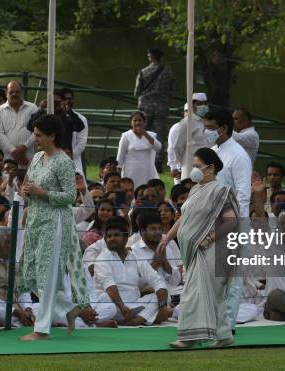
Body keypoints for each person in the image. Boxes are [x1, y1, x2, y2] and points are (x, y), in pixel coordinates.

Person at [18, 115, 91, 341]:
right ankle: (67, 309)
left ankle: (42, 329)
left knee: (47, 274)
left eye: (39, 135)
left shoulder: (64, 161)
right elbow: (28, 183)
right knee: (31, 273)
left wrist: (43, 193)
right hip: (35, 220)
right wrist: (26, 190)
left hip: (54, 221)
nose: (35, 139)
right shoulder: (38, 157)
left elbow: (70, 196)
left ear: (51, 136)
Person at [161, 147, 239, 349]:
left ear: (210, 167)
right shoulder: (195, 190)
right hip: (193, 250)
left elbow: (231, 222)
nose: (193, 170)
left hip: (210, 250)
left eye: (197, 166)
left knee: (192, 293)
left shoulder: (221, 191)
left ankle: (188, 338)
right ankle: (224, 335)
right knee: (210, 295)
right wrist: (167, 238)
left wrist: (209, 239)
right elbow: (184, 219)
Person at [203, 108, 252, 332]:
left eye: (210, 128)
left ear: (223, 128)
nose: (206, 131)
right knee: (214, 277)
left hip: (234, 224)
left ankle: (227, 326)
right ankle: (214, 322)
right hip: (213, 222)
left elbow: (243, 195)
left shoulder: (239, 155)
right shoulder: (212, 152)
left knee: (233, 278)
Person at [93, 216, 171, 326]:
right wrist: (122, 306)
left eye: (116, 235)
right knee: (108, 303)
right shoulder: (102, 258)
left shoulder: (134, 257)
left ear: (125, 239)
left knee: (159, 296)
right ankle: (143, 318)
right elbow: (109, 285)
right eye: (109, 236)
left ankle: (135, 321)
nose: (111, 239)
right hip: (113, 305)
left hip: (134, 306)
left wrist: (162, 306)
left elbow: (157, 281)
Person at [134, 47, 176, 172]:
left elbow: (136, 92)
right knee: (159, 135)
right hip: (161, 107)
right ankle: (157, 163)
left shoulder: (143, 72)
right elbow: (173, 91)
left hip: (145, 107)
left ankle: (142, 159)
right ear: (160, 57)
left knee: (142, 133)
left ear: (150, 57)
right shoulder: (168, 72)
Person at [0, 81, 38, 167]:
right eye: (11, 92)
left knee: (29, 179)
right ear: (6, 93)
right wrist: (14, 151)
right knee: (8, 179)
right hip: (8, 157)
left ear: (22, 92)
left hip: (28, 155)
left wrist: (25, 146)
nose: (14, 94)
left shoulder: (32, 108)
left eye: (17, 92)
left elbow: (36, 131)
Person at [116, 111, 162, 188]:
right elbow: (120, 157)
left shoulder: (151, 135)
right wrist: (119, 175)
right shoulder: (126, 136)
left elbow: (158, 147)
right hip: (131, 172)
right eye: (135, 120)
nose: (137, 123)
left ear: (144, 122)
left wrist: (145, 134)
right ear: (131, 122)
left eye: (140, 120)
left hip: (148, 171)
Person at [170, 93, 210, 181]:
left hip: (206, 165)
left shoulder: (207, 121)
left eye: (205, 103)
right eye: (199, 104)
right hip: (191, 165)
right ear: (192, 105)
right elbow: (178, 146)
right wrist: (185, 161)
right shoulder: (187, 122)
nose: (203, 106)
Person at [60, 88, 88, 175]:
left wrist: (67, 155)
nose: (68, 101)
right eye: (65, 99)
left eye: (70, 99)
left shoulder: (81, 119)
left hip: (74, 161)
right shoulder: (53, 116)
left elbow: (81, 144)